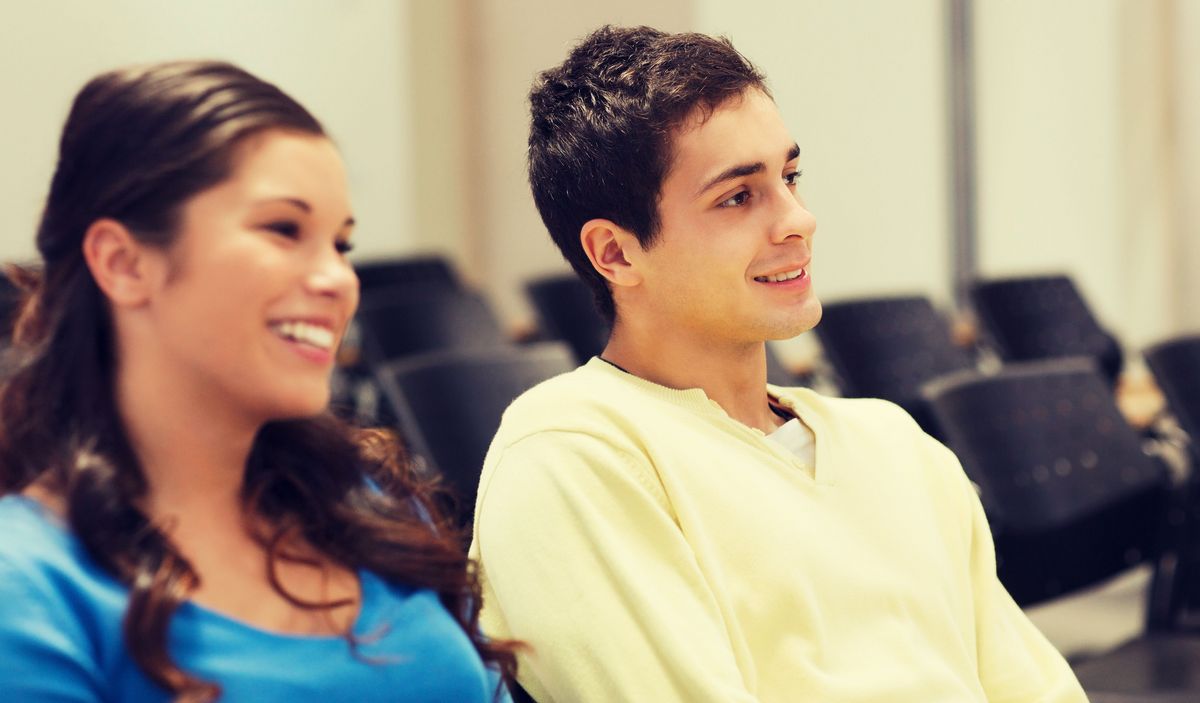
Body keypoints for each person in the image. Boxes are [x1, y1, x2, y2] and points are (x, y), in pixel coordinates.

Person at [469, 26, 1087, 702]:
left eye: (789, 177)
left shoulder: (894, 443)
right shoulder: (571, 453)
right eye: (738, 197)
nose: (798, 219)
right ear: (616, 253)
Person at [0, 61, 514, 702]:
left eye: (341, 245)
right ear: (124, 263)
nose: (337, 280)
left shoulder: (373, 505)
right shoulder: (29, 587)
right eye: (283, 229)